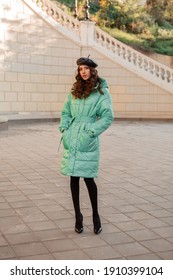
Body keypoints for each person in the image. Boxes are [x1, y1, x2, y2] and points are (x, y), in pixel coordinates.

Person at [59, 56, 114, 234]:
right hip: (72, 136)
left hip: (87, 138)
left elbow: (107, 116)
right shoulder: (75, 90)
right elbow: (66, 111)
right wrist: (64, 128)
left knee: (89, 179)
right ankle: (78, 216)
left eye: (86, 68)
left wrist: (91, 132)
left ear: (92, 70)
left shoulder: (101, 92)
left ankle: (96, 215)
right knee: (73, 178)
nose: (83, 71)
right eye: (80, 68)